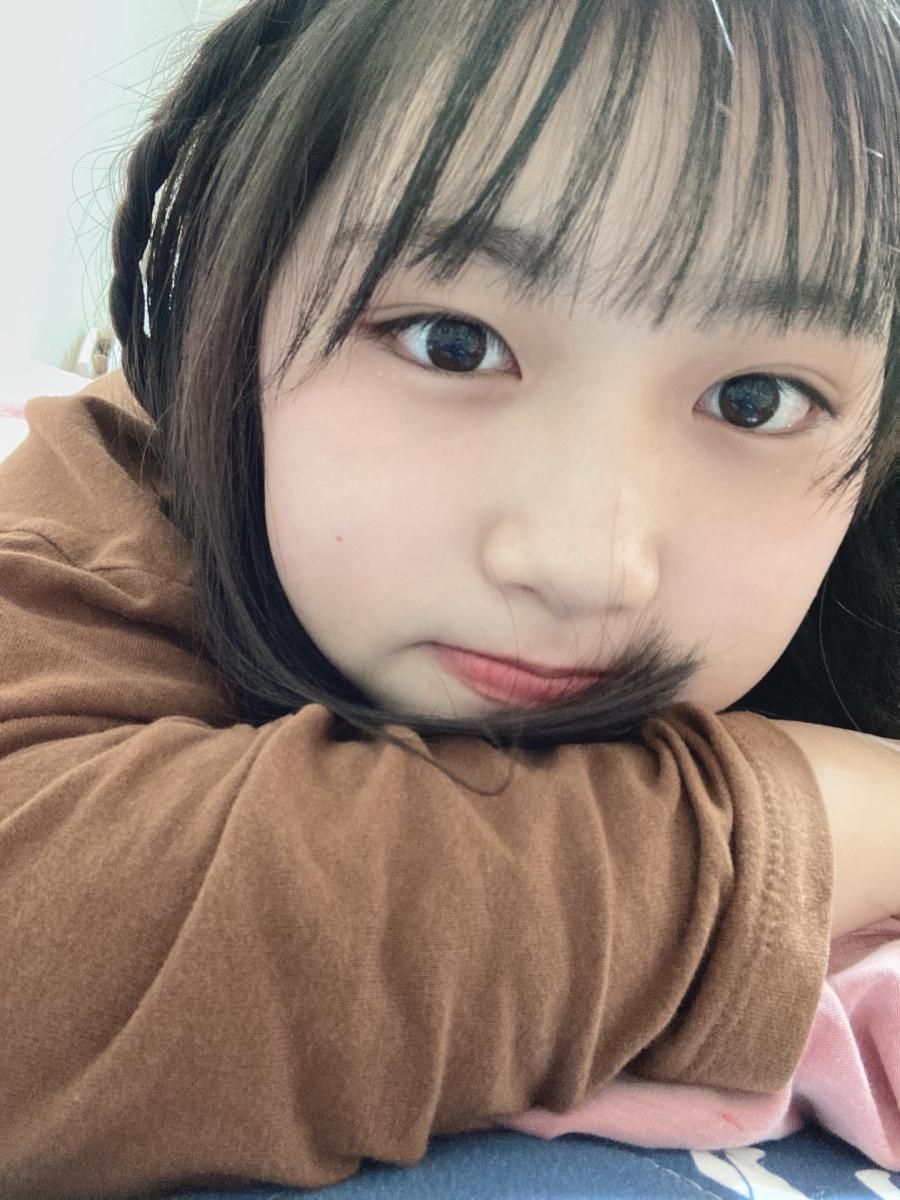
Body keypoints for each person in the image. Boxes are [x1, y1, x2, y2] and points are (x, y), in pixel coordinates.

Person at [0, 0, 896, 1195]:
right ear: (231, 289)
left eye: (755, 401)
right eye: (451, 342)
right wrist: (818, 821)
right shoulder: (118, 484)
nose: (586, 562)